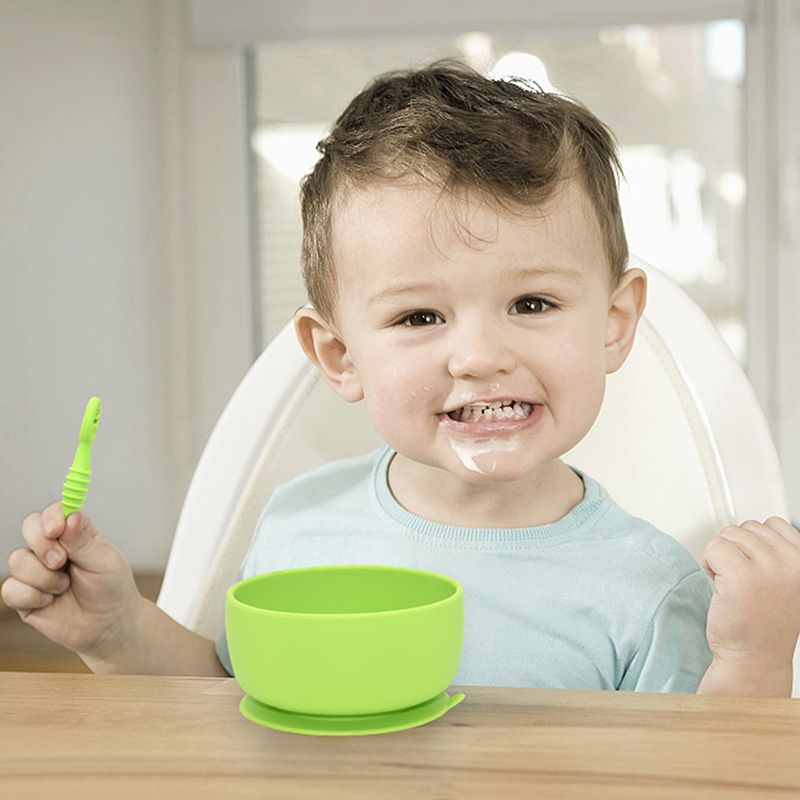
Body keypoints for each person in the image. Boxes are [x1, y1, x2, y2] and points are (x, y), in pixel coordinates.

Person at [3, 60, 799, 695]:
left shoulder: (652, 589)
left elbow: (712, 777)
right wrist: (119, 633)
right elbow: (235, 704)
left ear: (614, 324)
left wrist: (756, 657)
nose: (479, 355)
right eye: (420, 316)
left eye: (531, 303)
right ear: (340, 357)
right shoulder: (300, 524)